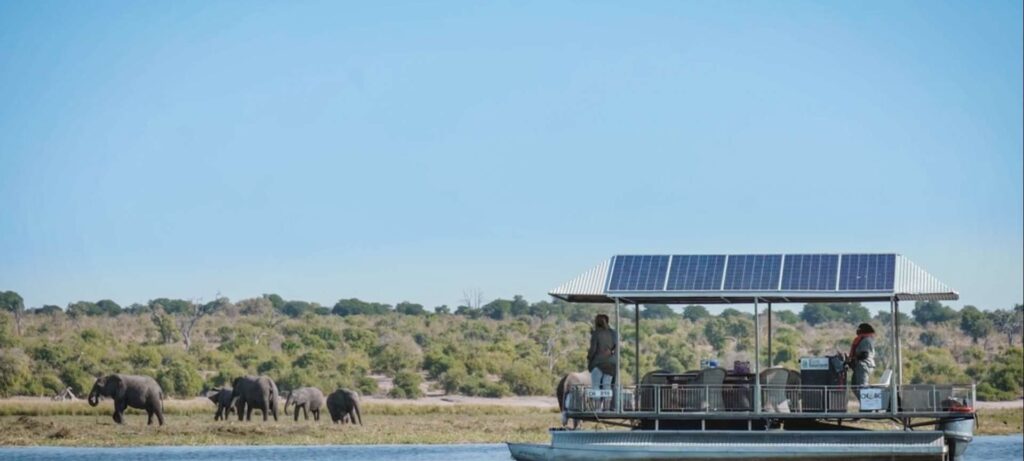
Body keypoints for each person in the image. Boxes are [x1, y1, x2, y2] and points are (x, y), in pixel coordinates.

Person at [587, 313, 617, 410]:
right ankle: (607, 408)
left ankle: (597, 408)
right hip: (611, 364)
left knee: (596, 386)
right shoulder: (613, 333)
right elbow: (615, 348)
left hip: (598, 363)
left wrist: (589, 358)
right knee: (606, 385)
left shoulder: (596, 334)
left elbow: (593, 350)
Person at [848, 323, 876, 387]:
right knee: (854, 386)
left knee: (862, 386)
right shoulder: (862, 339)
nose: (857, 331)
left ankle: (867, 396)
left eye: (859, 329)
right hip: (859, 365)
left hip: (864, 365)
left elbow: (864, 354)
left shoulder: (866, 340)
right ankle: (861, 397)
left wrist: (854, 358)